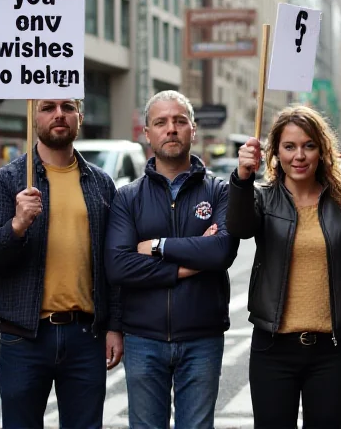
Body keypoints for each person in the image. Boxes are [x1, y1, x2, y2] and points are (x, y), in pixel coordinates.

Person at [0, 98, 123, 429]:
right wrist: (17, 226)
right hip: (24, 337)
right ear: (34, 117)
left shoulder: (100, 183)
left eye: (67, 107)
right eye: (47, 107)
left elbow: (112, 263)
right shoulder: (8, 180)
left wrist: (115, 325)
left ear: (80, 117)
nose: (59, 114)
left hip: (86, 335)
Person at [226, 105, 341, 429]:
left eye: (308, 145)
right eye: (289, 146)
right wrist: (242, 179)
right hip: (273, 348)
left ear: (322, 150)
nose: (299, 156)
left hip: (331, 350)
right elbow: (239, 226)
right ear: (275, 152)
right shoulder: (261, 199)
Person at [105, 90, 239, 429]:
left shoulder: (219, 191)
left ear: (193, 130)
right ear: (147, 133)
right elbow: (119, 265)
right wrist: (190, 264)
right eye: (161, 122)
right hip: (142, 338)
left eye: (180, 121)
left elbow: (222, 251)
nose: (171, 129)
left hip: (202, 337)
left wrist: (156, 245)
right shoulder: (127, 197)